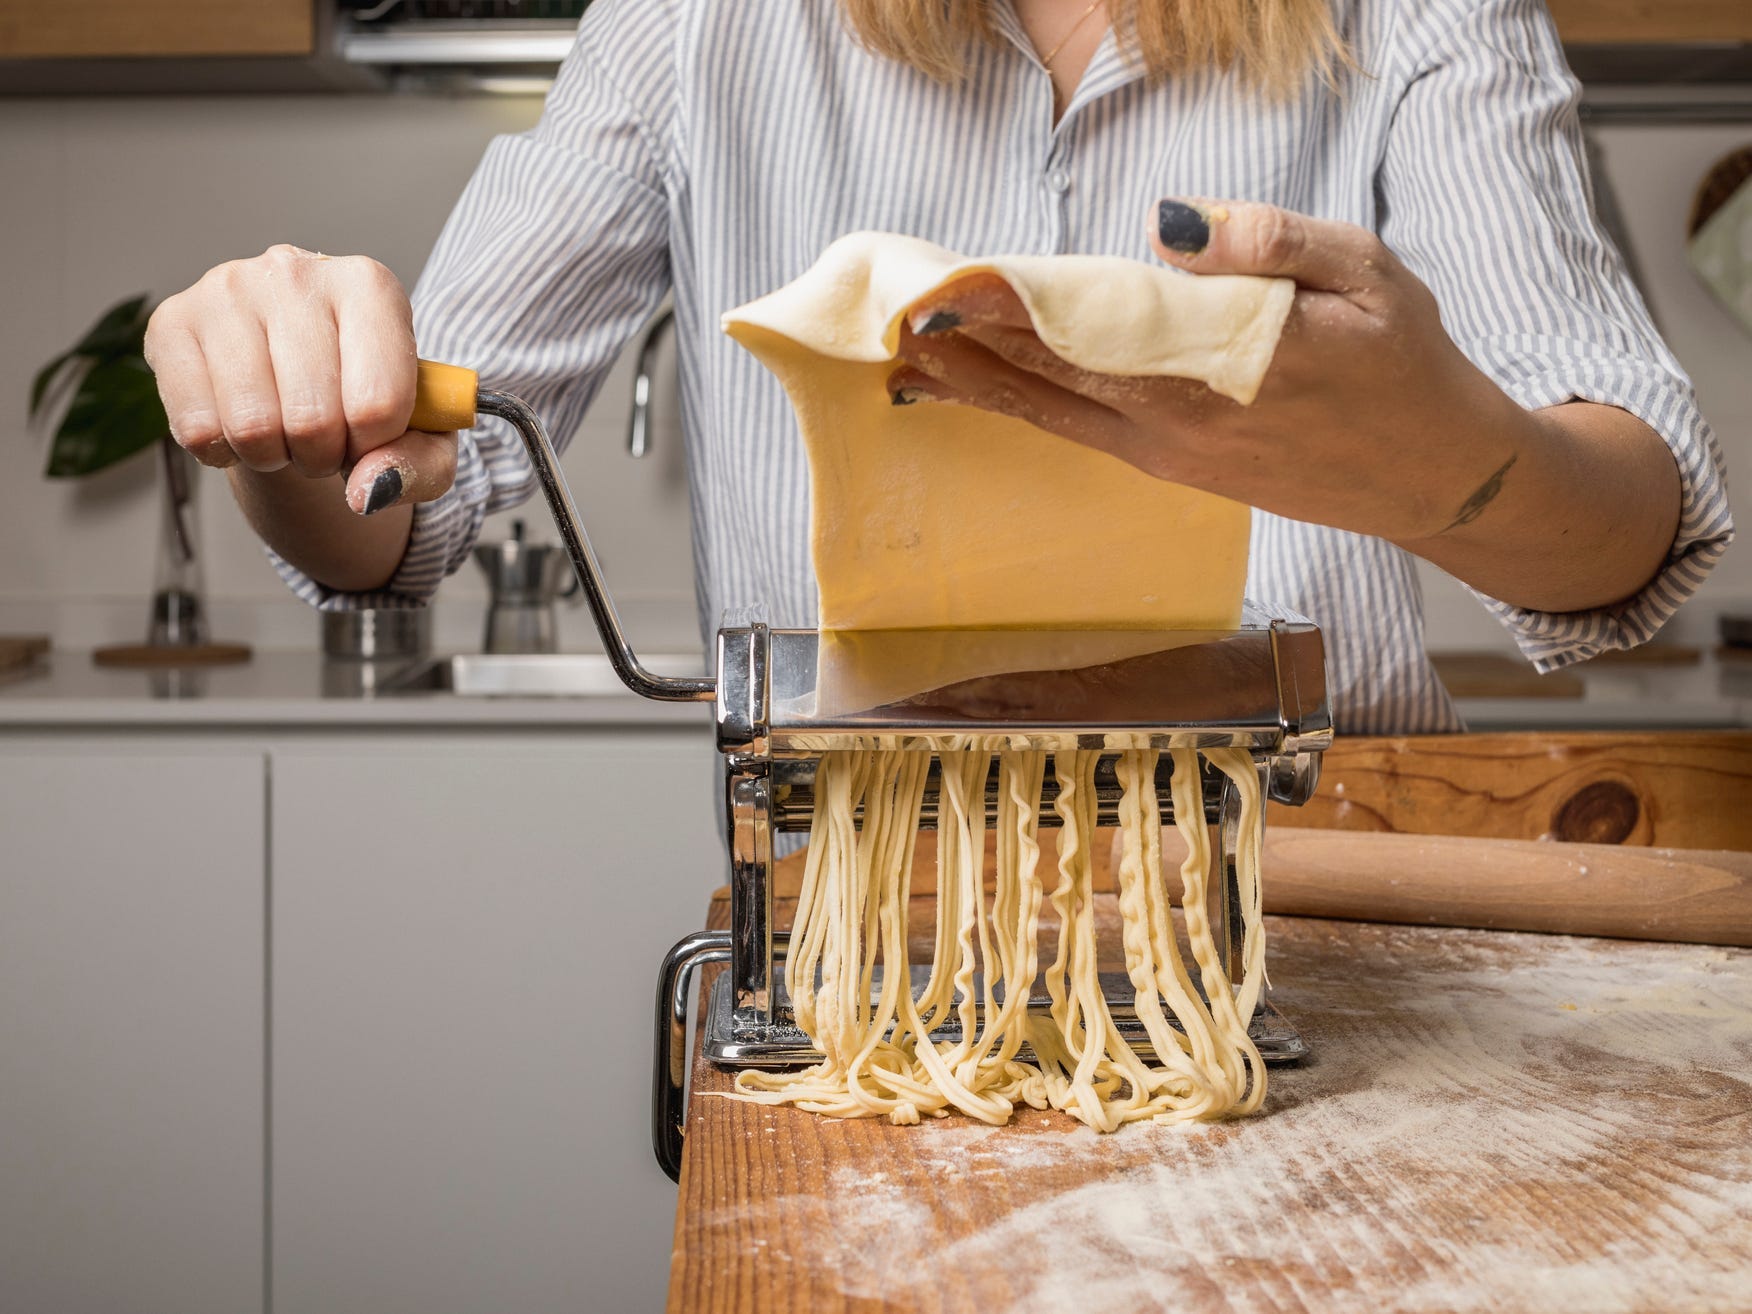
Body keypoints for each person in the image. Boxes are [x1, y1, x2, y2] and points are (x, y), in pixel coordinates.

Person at [143, 0, 1731, 731]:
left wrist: (1449, 462)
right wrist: (299, 428)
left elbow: (1634, 530)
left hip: (1336, 920)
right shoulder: (694, 28)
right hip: (864, 929)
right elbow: (407, 504)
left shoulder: (1419, 13)